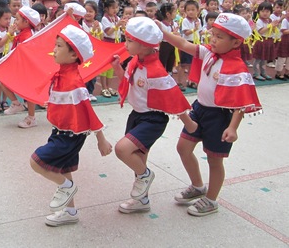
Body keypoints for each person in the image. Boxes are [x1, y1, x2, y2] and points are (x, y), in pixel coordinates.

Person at [158, 13, 261, 216]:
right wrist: (163, 32)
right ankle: (198, 186)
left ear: (236, 42)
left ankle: (211, 200)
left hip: (220, 117)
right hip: (200, 109)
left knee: (214, 159)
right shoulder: (209, 53)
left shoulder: (237, 69)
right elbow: (183, 44)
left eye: (219, 37)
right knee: (183, 147)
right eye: (212, 34)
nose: (213, 39)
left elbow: (240, 103)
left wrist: (232, 127)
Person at [30, 25, 113, 226]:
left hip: (69, 135)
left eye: (59, 46)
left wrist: (101, 140)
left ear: (74, 55)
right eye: (55, 45)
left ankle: (67, 187)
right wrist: (52, 103)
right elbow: (66, 103)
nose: (54, 50)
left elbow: (88, 112)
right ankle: (70, 211)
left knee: (36, 161)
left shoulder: (75, 83)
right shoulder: (62, 76)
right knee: (63, 168)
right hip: (60, 130)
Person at [111, 17, 194, 214]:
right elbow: (129, 83)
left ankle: (145, 176)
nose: (125, 44)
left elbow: (173, 97)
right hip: (137, 115)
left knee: (122, 149)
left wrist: (189, 124)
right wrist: (117, 69)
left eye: (129, 41)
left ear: (144, 45)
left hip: (153, 119)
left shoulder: (156, 72)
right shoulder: (134, 62)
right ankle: (142, 200)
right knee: (138, 158)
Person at [2, 5, 41, 128]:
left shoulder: (27, 35)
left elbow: (25, 52)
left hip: (27, 68)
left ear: (26, 22)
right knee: (4, 81)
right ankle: (16, 104)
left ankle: (31, 117)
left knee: (29, 93)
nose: (15, 21)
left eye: (17, 19)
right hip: (21, 67)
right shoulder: (23, 33)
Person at [0, 6, 14, 111]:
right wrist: (9, 33)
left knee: (7, 81)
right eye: (6, 19)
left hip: (9, 56)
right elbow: (0, 43)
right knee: (0, 82)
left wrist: (12, 33)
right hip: (0, 57)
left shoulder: (10, 29)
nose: (8, 21)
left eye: (10, 18)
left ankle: (5, 100)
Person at [253, 2, 279, 80]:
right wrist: (270, 26)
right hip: (261, 41)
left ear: (270, 12)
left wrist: (274, 27)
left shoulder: (270, 20)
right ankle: (256, 73)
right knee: (258, 59)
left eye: (267, 11)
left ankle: (263, 72)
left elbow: (274, 31)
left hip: (269, 41)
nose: (265, 13)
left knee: (264, 59)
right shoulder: (259, 21)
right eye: (262, 11)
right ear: (259, 12)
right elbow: (261, 31)